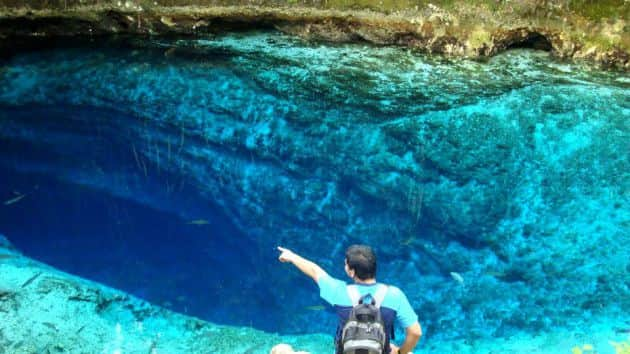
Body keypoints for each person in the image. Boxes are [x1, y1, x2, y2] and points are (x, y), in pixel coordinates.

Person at [277, 245, 422, 354]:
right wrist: (400, 352)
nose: (344, 266)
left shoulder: (339, 291)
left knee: (281, 350)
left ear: (351, 271)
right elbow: (415, 332)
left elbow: (315, 271)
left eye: (346, 264)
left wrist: (291, 256)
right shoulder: (395, 294)